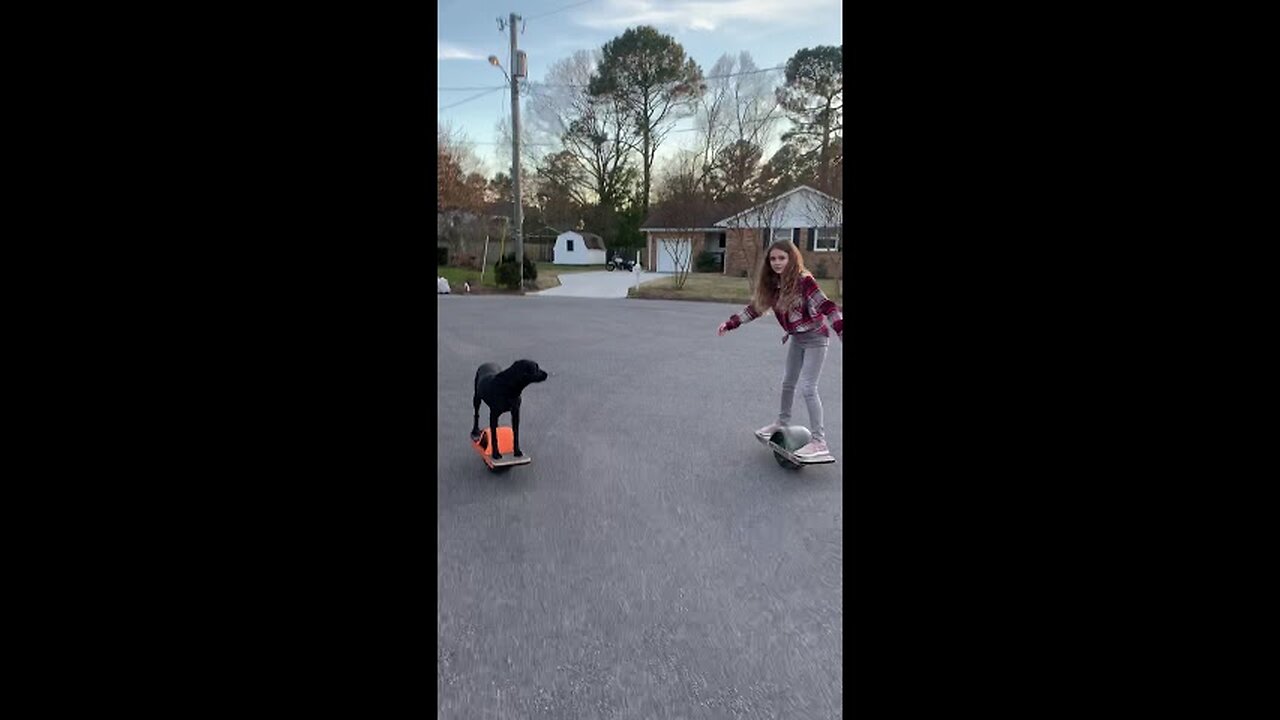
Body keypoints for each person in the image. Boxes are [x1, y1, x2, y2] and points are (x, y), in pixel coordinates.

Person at [717, 240, 844, 458]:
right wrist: (731, 324)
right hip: (796, 338)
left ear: (792, 258)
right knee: (788, 382)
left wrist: (840, 330)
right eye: (773, 259)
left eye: (782, 258)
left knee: (808, 387)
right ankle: (781, 422)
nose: (777, 263)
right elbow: (755, 308)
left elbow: (828, 306)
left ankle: (819, 442)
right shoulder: (773, 285)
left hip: (815, 338)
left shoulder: (805, 281)